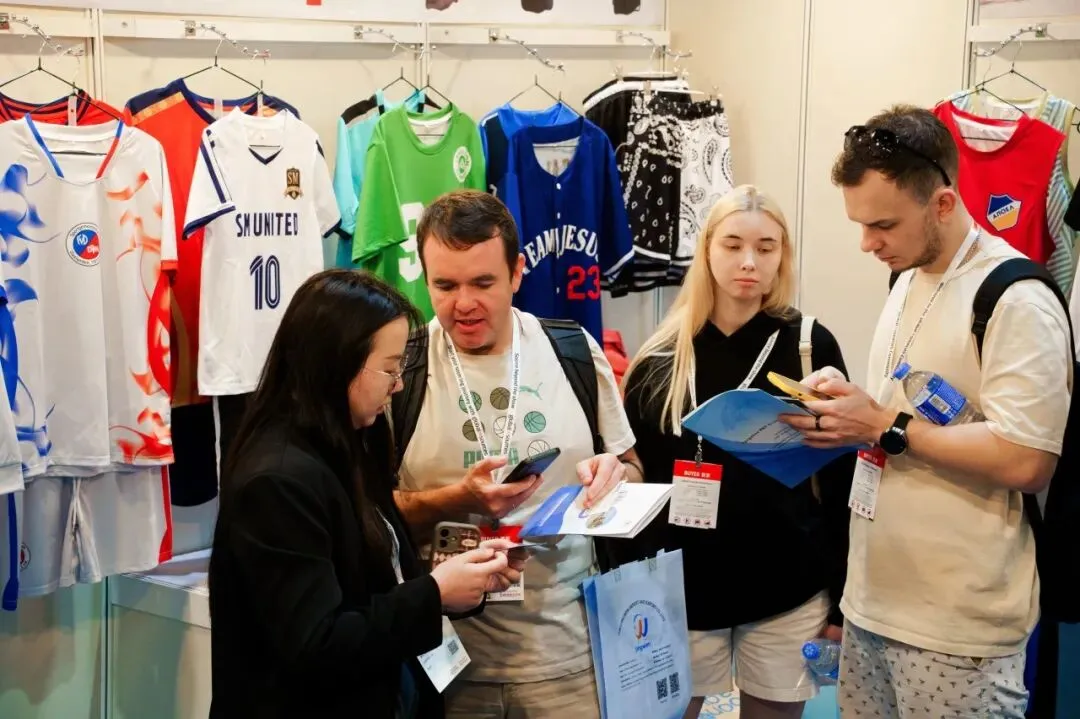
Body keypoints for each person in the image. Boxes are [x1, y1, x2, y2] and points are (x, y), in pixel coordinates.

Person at [782, 105, 1072, 717]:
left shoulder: (1016, 298)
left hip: (958, 627)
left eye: (883, 224)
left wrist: (884, 425)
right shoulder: (906, 277)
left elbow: (1028, 459)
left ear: (942, 204)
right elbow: (910, 409)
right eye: (860, 224)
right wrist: (854, 405)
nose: (867, 243)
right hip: (872, 603)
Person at [208, 270, 526, 719]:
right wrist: (435, 593)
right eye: (390, 369)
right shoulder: (277, 481)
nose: (398, 385)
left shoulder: (349, 444)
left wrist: (463, 580)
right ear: (337, 363)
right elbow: (317, 643)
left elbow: (378, 578)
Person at [391, 189, 642, 719]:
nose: (464, 303)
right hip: (442, 660)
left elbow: (633, 467)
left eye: (483, 283)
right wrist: (456, 499)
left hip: (570, 655)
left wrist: (616, 475)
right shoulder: (401, 370)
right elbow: (368, 515)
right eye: (445, 285)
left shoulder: (573, 350)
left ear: (517, 273)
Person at [622, 185, 855, 719]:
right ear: (706, 250)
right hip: (681, 589)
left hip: (787, 586)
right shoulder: (660, 356)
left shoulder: (809, 345)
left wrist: (843, 600)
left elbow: (841, 483)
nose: (749, 261)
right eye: (732, 245)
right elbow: (637, 475)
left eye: (765, 247)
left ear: (782, 256)